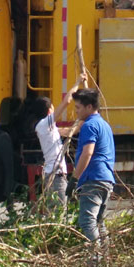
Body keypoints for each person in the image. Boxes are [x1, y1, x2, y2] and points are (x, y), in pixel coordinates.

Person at [32, 73, 88, 208]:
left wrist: (84, 118)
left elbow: (70, 131)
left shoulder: (49, 129)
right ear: (49, 109)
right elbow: (67, 101)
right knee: (59, 213)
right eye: (52, 107)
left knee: (56, 213)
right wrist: (78, 82)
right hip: (55, 176)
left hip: (55, 175)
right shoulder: (45, 124)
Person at [72, 87, 115, 264]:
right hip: (106, 179)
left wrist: (74, 178)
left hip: (93, 178)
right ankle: (106, 260)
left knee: (87, 221)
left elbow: (87, 153)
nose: (76, 112)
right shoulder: (104, 124)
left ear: (89, 107)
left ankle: (96, 260)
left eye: (78, 108)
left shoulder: (89, 125)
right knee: (99, 222)